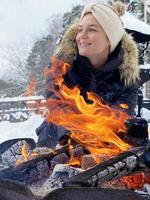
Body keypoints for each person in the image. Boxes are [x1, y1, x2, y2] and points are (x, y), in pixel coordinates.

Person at [36, 1, 140, 148]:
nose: (82, 36)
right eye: (80, 29)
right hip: (56, 142)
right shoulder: (62, 67)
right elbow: (56, 106)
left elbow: (120, 116)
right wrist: (80, 133)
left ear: (110, 39)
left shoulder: (126, 77)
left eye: (92, 30)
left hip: (105, 147)